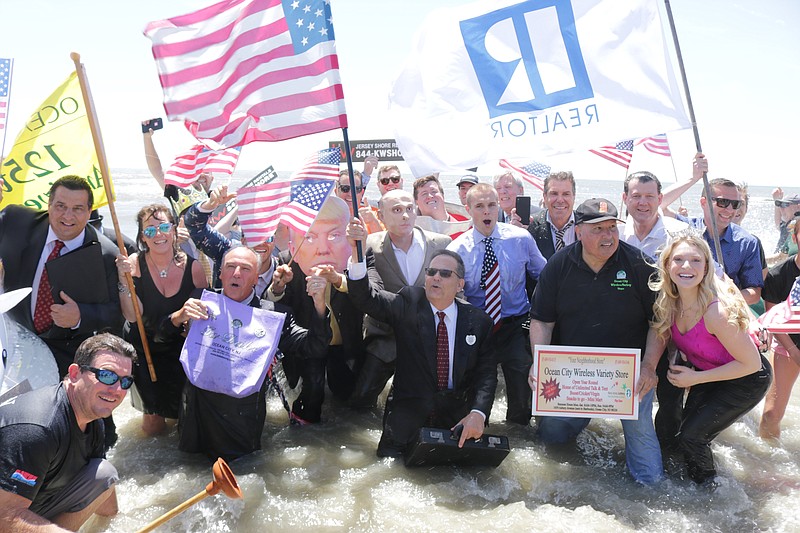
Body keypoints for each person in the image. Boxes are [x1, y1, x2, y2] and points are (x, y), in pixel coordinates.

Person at [528, 198, 663, 484]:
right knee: (550, 436)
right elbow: (541, 320)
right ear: (578, 231)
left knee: (644, 451)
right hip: (575, 372)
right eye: (598, 229)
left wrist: (649, 366)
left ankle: (653, 499)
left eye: (613, 228)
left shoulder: (639, 264)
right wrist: (539, 363)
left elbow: (659, 323)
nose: (608, 236)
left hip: (628, 374)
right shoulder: (559, 265)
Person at [176, 246, 332, 461]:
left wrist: (319, 305)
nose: (236, 273)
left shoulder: (273, 316)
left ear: (256, 279)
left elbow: (315, 346)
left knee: (242, 473)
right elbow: (162, 337)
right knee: (188, 467)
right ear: (220, 274)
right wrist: (177, 317)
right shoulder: (200, 303)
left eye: (245, 269)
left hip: (240, 418)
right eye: (230, 267)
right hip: (195, 409)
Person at [346, 239, 497, 457]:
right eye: (431, 271)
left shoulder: (479, 321)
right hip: (405, 420)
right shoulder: (407, 302)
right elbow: (366, 299)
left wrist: (478, 413)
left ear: (460, 284)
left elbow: (487, 375)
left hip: (455, 423)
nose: (436, 277)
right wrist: (356, 253)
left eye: (445, 274)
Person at [649, 233, 771, 484]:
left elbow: (751, 364)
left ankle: (709, 494)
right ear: (667, 265)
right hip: (710, 372)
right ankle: (684, 482)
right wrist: (668, 357)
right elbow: (660, 332)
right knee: (684, 433)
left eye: (695, 260)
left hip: (746, 378)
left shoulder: (716, 312)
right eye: (678, 259)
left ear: (706, 268)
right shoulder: (668, 302)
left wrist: (696, 377)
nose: (686, 266)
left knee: (693, 437)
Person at [0, 333, 136, 531]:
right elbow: (4, 515)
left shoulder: (92, 419)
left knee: (104, 473)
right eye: (107, 375)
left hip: (30, 499)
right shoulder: (38, 429)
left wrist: (118, 526)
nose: (116, 389)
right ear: (74, 374)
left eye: (125, 382)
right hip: (6, 509)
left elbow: (103, 486)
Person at [268, 196, 378, 424]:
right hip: (308, 345)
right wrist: (278, 287)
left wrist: (339, 280)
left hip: (345, 344)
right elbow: (273, 310)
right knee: (307, 408)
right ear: (293, 244)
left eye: (334, 236)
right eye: (309, 237)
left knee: (352, 406)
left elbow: (374, 295)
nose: (322, 249)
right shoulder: (287, 262)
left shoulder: (360, 256)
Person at [0, 176, 121, 378]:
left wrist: (80, 315)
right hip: (12, 342)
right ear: (48, 205)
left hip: (68, 352)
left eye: (77, 208)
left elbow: (116, 313)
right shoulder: (16, 220)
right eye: (60, 206)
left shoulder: (106, 254)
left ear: (89, 211)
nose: (68, 216)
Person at [448, 183, 546, 425]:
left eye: (492, 205)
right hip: (478, 328)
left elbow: (545, 278)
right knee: (477, 389)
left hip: (514, 324)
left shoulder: (521, 239)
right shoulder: (456, 250)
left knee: (521, 392)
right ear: (468, 208)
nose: (486, 212)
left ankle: (519, 434)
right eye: (479, 206)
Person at [349, 190, 451, 408]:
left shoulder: (441, 244)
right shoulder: (370, 247)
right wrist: (355, 248)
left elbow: (456, 292)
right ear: (382, 216)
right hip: (386, 336)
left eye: (409, 209)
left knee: (433, 404)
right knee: (360, 402)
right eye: (396, 210)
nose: (405, 215)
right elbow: (365, 291)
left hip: (429, 339)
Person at [115, 204, 208, 436]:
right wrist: (123, 279)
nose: (158, 234)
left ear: (174, 231)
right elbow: (131, 315)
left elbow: (202, 314)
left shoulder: (194, 268)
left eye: (164, 227)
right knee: (152, 422)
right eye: (150, 230)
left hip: (177, 347)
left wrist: (190, 326)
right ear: (142, 237)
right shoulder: (133, 265)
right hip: (144, 347)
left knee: (181, 416)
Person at [183, 185, 277, 293]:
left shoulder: (283, 271)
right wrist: (211, 204)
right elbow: (194, 225)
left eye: (268, 238)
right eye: (253, 237)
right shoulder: (226, 252)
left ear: (274, 241)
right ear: (242, 240)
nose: (260, 243)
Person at [759, 216, 800, 439]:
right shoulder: (777, 275)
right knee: (771, 415)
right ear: (795, 237)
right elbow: (773, 319)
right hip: (789, 347)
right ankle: (767, 461)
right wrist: (794, 352)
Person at [620, 171, 688, 258]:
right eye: (636, 196)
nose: (643, 202)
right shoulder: (616, 236)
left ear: (659, 199)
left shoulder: (681, 234)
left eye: (649, 196)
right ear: (625, 198)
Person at [527, 171, 577, 260]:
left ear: (574, 196)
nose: (560, 200)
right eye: (554, 193)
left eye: (566, 194)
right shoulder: (530, 226)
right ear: (545, 197)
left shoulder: (586, 224)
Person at [335, 169, 382, 233]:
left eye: (356, 189)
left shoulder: (376, 215)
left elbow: (384, 241)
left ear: (362, 192)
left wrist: (373, 222)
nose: (351, 194)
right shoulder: (324, 216)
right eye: (345, 188)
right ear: (336, 191)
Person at [771, 189, 800, 255]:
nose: (781, 209)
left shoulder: (796, 226)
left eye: (785, 205)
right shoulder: (788, 224)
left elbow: (781, 258)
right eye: (780, 205)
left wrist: (761, 260)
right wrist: (777, 199)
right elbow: (778, 224)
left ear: (798, 207)